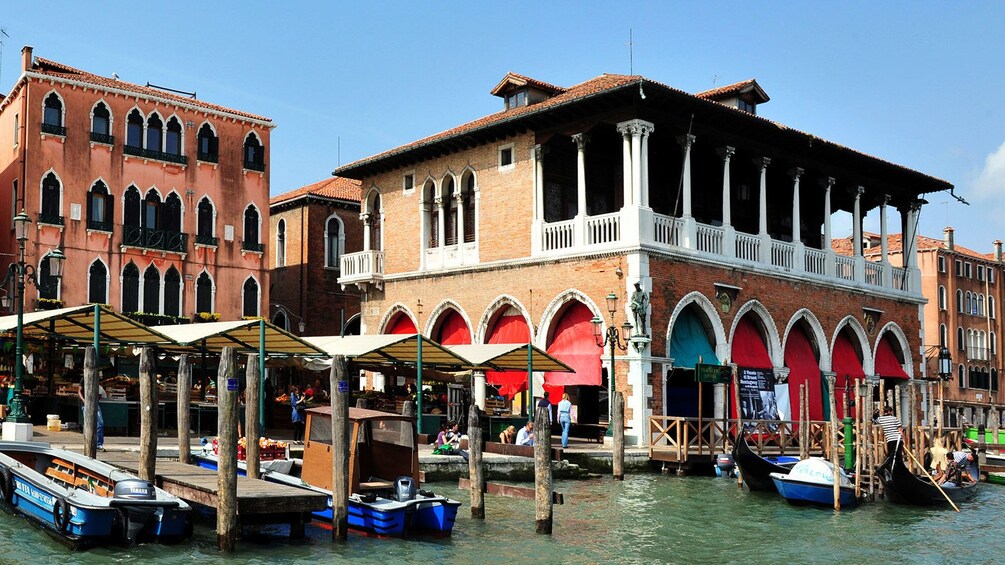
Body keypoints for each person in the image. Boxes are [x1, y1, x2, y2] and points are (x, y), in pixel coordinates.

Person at [77, 378, 107, 451]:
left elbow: (99, 395)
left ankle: (99, 444)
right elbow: (79, 391)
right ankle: (88, 443)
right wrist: (84, 401)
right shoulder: (83, 379)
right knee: (88, 424)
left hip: (95, 404)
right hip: (86, 404)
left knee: (100, 423)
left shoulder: (97, 381)